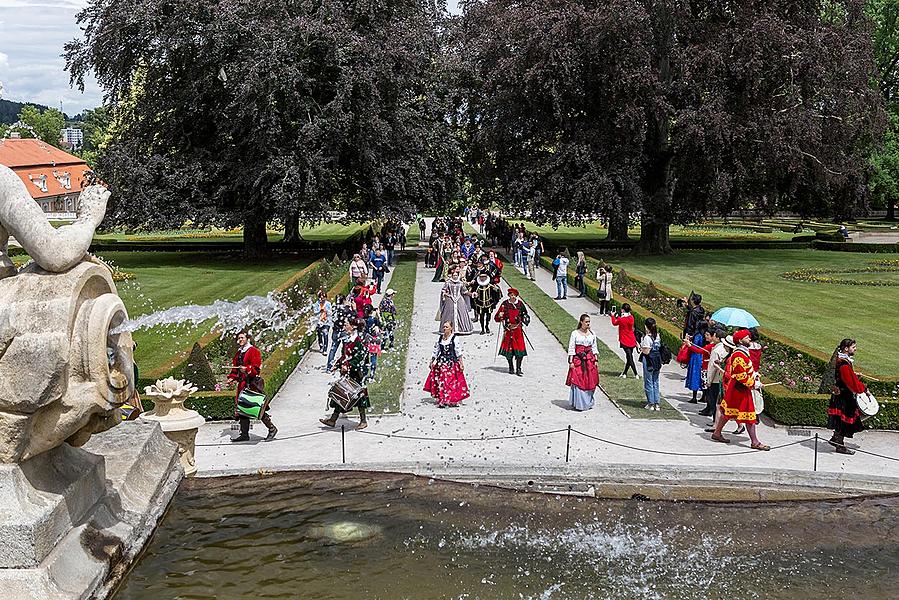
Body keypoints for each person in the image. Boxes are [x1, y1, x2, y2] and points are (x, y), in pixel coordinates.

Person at [711, 329, 769, 450]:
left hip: (737, 389)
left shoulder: (742, 353)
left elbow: (745, 371)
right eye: (747, 338)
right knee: (749, 416)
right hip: (740, 390)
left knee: (728, 413)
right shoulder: (739, 355)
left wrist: (754, 375)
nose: (749, 339)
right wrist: (754, 384)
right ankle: (755, 442)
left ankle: (717, 433)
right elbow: (740, 376)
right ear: (740, 340)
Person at [321, 319, 371, 430]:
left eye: (347, 324)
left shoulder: (359, 341)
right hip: (348, 373)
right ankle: (333, 420)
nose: (344, 325)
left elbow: (359, 359)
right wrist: (338, 364)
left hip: (357, 374)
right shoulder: (348, 340)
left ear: (353, 327)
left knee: (359, 396)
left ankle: (363, 421)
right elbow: (345, 356)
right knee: (342, 393)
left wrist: (348, 366)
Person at [827, 338, 866, 455]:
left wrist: (854, 375)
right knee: (844, 421)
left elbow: (848, 377)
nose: (855, 349)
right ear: (846, 349)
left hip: (842, 394)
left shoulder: (844, 361)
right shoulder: (843, 364)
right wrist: (863, 389)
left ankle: (835, 439)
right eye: (853, 347)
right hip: (844, 396)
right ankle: (840, 445)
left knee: (841, 420)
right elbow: (850, 382)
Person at [424, 321, 470, 408]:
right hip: (441, 363)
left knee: (450, 382)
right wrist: (432, 361)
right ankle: (443, 399)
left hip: (451, 363)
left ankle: (451, 399)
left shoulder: (454, 338)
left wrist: (461, 363)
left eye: (446, 327)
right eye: (444, 327)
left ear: (451, 328)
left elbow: (458, 352)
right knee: (442, 381)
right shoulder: (440, 338)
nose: (444, 328)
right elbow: (436, 350)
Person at [566, 314, 600, 411]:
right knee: (578, 380)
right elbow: (572, 348)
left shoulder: (592, 333)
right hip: (578, 360)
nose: (588, 323)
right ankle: (579, 403)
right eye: (586, 322)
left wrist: (596, 359)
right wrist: (571, 361)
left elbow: (594, 347)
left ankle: (588, 401)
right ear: (581, 322)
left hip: (589, 360)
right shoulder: (575, 333)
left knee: (590, 380)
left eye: (589, 322)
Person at [231, 375, 278, 442]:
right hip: (243, 385)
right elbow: (235, 372)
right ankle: (244, 434)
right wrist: (232, 378)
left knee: (258, 410)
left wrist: (247, 369)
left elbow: (255, 369)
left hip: (252, 385)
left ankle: (272, 429)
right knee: (243, 410)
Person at [495, 288, 530, 375]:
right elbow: (497, 318)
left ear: (516, 295)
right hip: (508, 330)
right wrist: (500, 316)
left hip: (517, 330)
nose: (512, 296)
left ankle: (518, 369)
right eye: (511, 295)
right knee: (509, 352)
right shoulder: (505, 304)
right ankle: (511, 367)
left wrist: (525, 319)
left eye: (513, 295)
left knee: (520, 350)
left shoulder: (520, 304)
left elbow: (525, 314)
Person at [227, 330, 262, 403]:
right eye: (239, 338)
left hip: (251, 382)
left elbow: (256, 367)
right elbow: (235, 367)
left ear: (247, 339)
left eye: (242, 338)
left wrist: (247, 368)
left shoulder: (254, 351)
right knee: (241, 404)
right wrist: (232, 377)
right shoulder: (239, 353)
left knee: (251, 404)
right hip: (242, 383)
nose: (240, 340)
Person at [699, 328, 727, 418]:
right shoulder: (724, 349)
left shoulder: (716, 351)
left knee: (714, 401)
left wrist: (709, 381)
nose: (712, 337)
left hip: (715, 380)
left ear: (718, 338)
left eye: (714, 336)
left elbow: (712, 368)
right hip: (721, 379)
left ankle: (715, 422)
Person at [438, 270, 474, 335]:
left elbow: (465, 291)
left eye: (456, 275)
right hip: (450, 300)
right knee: (449, 314)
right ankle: (449, 329)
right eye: (454, 275)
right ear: (452, 276)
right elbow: (443, 290)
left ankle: (461, 329)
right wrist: (446, 294)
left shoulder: (461, 283)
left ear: (458, 275)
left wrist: (471, 294)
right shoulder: (448, 282)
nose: (455, 276)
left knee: (461, 313)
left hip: (459, 300)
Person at [639, 318, 662, 410]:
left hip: (649, 361)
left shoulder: (647, 338)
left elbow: (647, 351)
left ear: (646, 326)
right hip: (657, 360)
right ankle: (657, 403)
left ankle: (650, 403)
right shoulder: (657, 336)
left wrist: (641, 348)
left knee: (648, 381)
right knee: (655, 381)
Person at [610, 303, 638, 378]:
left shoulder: (621, 319)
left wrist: (612, 316)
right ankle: (625, 373)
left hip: (624, 339)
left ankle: (636, 373)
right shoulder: (631, 317)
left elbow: (614, 323)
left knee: (629, 358)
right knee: (629, 357)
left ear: (622, 310)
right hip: (631, 339)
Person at [327, 295, 353, 371]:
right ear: (344, 300)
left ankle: (329, 367)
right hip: (344, 331)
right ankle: (343, 365)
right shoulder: (346, 309)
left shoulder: (334, 308)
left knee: (333, 349)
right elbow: (353, 317)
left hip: (336, 330)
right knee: (345, 349)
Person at [684, 321, 708, 403]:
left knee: (695, 375)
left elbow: (694, 346)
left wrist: (689, 342)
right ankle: (704, 396)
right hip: (703, 356)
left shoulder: (698, 335)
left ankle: (694, 397)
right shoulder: (706, 336)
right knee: (703, 376)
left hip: (696, 356)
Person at [310, 290, 332, 355]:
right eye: (321, 297)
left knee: (325, 334)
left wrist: (326, 311)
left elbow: (330, 313)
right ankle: (321, 346)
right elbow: (315, 313)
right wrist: (320, 311)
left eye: (324, 297)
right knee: (319, 335)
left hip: (326, 321)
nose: (322, 299)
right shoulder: (316, 304)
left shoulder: (328, 304)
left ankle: (325, 349)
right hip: (318, 321)